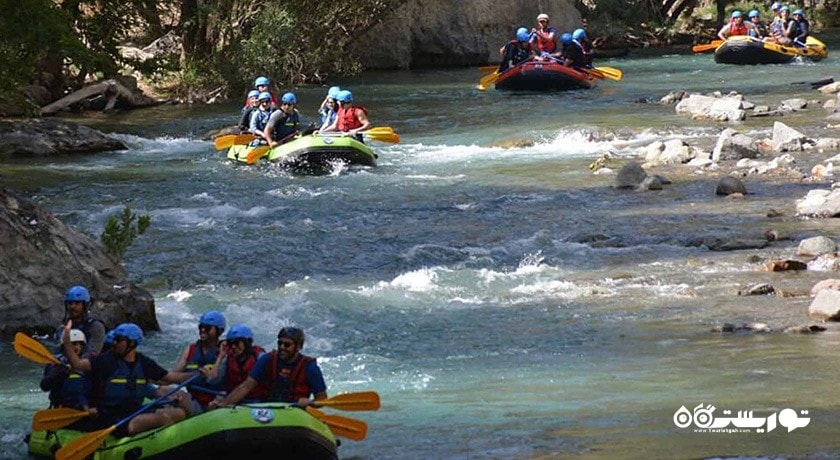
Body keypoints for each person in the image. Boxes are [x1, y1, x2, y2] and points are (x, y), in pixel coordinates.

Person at [62, 322, 195, 436]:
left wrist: (196, 375)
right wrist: (67, 339)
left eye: (119, 340)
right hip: (112, 417)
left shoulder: (143, 362)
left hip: (136, 410)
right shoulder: (106, 360)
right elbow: (77, 364)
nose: (115, 343)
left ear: (131, 343)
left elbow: (169, 377)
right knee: (164, 417)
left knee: (183, 403)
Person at [208, 327, 327, 409]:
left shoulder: (310, 367)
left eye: (287, 344)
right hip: (270, 408)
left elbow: (322, 399)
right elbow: (245, 386)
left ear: (298, 347)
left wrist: (311, 403)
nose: (282, 347)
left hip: (296, 410)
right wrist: (224, 404)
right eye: (280, 343)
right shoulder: (268, 359)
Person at [171, 311, 225, 412]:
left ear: (219, 331)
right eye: (201, 326)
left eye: (208, 328)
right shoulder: (191, 349)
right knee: (166, 391)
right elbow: (174, 375)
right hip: (194, 399)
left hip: (216, 401)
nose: (203, 330)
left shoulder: (225, 350)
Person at [203, 325, 268, 405]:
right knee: (213, 403)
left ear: (247, 343)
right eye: (230, 344)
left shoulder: (260, 357)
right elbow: (211, 380)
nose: (233, 347)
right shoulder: (228, 359)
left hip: (257, 401)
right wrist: (220, 357)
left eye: (237, 343)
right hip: (233, 401)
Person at [40, 329, 91, 412]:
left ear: (82, 346)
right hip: (61, 408)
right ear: (64, 347)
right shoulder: (56, 363)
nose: (72, 348)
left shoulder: (88, 363)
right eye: (69, 345)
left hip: (83, 409)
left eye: (75, 344)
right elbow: (44, 386)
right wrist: (63, 372)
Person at [56, 285, 105, 357]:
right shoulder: (63, 328)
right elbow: (58, 351)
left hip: (87, 365)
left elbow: (92, 354)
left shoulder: (96, 327)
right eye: (70, 303)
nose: (72, 307)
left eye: (77, 303)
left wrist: (75, 364)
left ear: (85, 305)